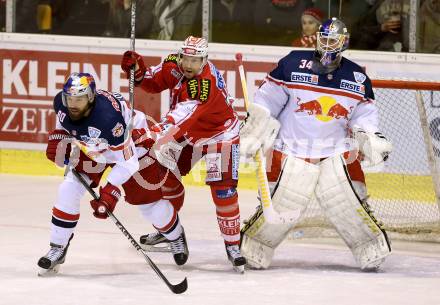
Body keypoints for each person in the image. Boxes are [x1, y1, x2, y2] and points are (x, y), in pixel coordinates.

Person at [239, 17, 393, 271]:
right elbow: (268, 98)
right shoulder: (292, 63)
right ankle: (255, 245)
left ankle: (370, 246)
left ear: (344, 43)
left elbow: (364, 116)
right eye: (324, 38)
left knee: (349, 204)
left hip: (337, 151)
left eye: (334, 40)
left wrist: (369, 137)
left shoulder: (357, 77)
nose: (328, 44)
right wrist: (256, 127)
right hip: (291, 147)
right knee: (281, 204)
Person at [38, 72, 188, 275]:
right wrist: (58, 138)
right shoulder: (62, 104)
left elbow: (128, 161)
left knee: (150, 206)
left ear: (90, 98)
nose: (72, 104)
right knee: (68, 188)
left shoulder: (109, 119)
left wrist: (110, 191)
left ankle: (176, 236)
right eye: (70, 98)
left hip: (134, 145)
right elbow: (62, 121)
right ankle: (58, 247)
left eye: (79, 99)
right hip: (95, 147)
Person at [120, 36, 246, 272]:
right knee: (162, 173)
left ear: (204, 60)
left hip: (219, 135)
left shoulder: (203, 86)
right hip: (189, 132)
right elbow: (152, 82)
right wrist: (137, 70)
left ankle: (233, 245)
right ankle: (168, 229)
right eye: (185, 58)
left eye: (195, 60)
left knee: (223, 190)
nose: (188, 64)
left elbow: (179, 120)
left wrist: (150, 134)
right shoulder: (175, 65)